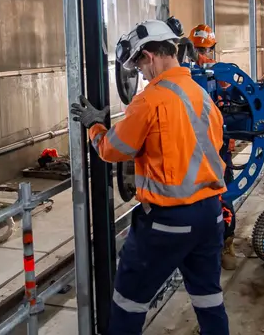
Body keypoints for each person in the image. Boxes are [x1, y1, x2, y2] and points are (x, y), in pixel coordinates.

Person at [71, 19, 229, 335]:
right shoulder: (202, 95)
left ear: (150, 56)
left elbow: (112, 150)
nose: (140, 74)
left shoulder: (150, 99)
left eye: (139, 65)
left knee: (128, 301)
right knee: (209, 298)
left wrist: (95, 126)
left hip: (166, 224)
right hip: (211, 216)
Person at [188, 23, 237, 271]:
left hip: (217, 146)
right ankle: (206, 246)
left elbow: (232, 105)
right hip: (195, 148)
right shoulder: (184, 75)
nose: (202, 55)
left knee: (222, 194)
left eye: (205, 49)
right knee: (204, 197)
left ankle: (226, 244)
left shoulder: (220, 74)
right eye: (198, 49)